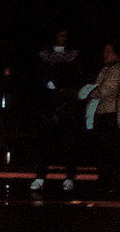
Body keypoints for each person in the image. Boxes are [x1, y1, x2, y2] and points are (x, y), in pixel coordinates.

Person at [29, 28, 82, 193]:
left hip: (67, 104)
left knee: (68, 143)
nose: (63, 38)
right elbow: (39, 75)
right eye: (60, 35)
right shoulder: (44, 55)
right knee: (45, 142)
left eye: (66, 35)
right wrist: (48, 85)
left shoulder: (74, 55)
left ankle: (69, 177)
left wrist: (66, 92)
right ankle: (40, 176)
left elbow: (76, 77)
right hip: (49, 106)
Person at [86, 41, 120, 194]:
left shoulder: (117, 69)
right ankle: (106, 181)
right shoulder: (109, 69)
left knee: (109, 151)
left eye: (109, 51)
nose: (105, 54)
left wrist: (91, 92)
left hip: (112, 114)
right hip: (105, 112)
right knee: (105, 151)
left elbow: (106, 89)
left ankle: (109, 183)